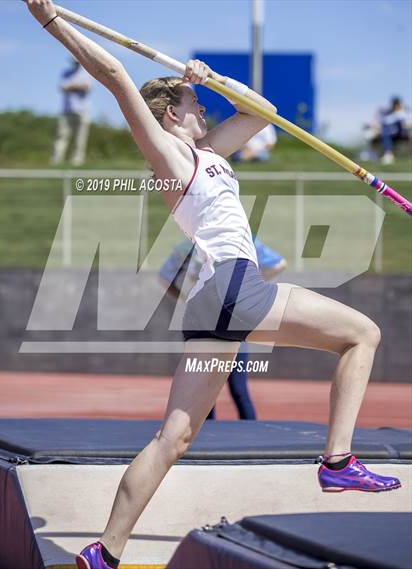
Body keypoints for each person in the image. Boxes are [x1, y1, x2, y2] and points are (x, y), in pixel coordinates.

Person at [26, 3, 401, 569]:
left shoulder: (209, 154)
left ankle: (105, 551)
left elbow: (265, 112)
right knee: (362, 335)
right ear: (169, 117)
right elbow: (115, 77)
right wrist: (54, 23)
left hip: (210, 304)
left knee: (173, 439)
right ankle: (338, 462)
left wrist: (215, 81)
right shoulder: (171, 155)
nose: (201, 111)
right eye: (192, 105)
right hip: (231, 287)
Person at [158, 237, 287, 420]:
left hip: (219, 321)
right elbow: (278, 264)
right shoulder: (197, 244)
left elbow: (164, 277)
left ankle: (243, 436)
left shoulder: (233, 240)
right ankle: (213, 438)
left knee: (228, 389)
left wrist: (250, 287)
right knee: (219, 390)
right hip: (210, 322)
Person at [51, 56, 92, 166]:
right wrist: (77, 86)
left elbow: (87, 87)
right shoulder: (66, 73)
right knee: (61, 135)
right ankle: (56, 159)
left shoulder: (87, 73)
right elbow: (62, 87)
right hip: (67, 109)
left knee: (80, 137)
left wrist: (71, 86)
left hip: (82, 110)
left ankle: (77, 160)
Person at [380, 97, 410, 165]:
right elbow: (384, 123)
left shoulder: (405, 112)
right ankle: (388, 155)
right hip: (392, 133)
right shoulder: (389, 114)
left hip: (403, 132)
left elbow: (408, 124)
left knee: (399, 122)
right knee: (385, 131)